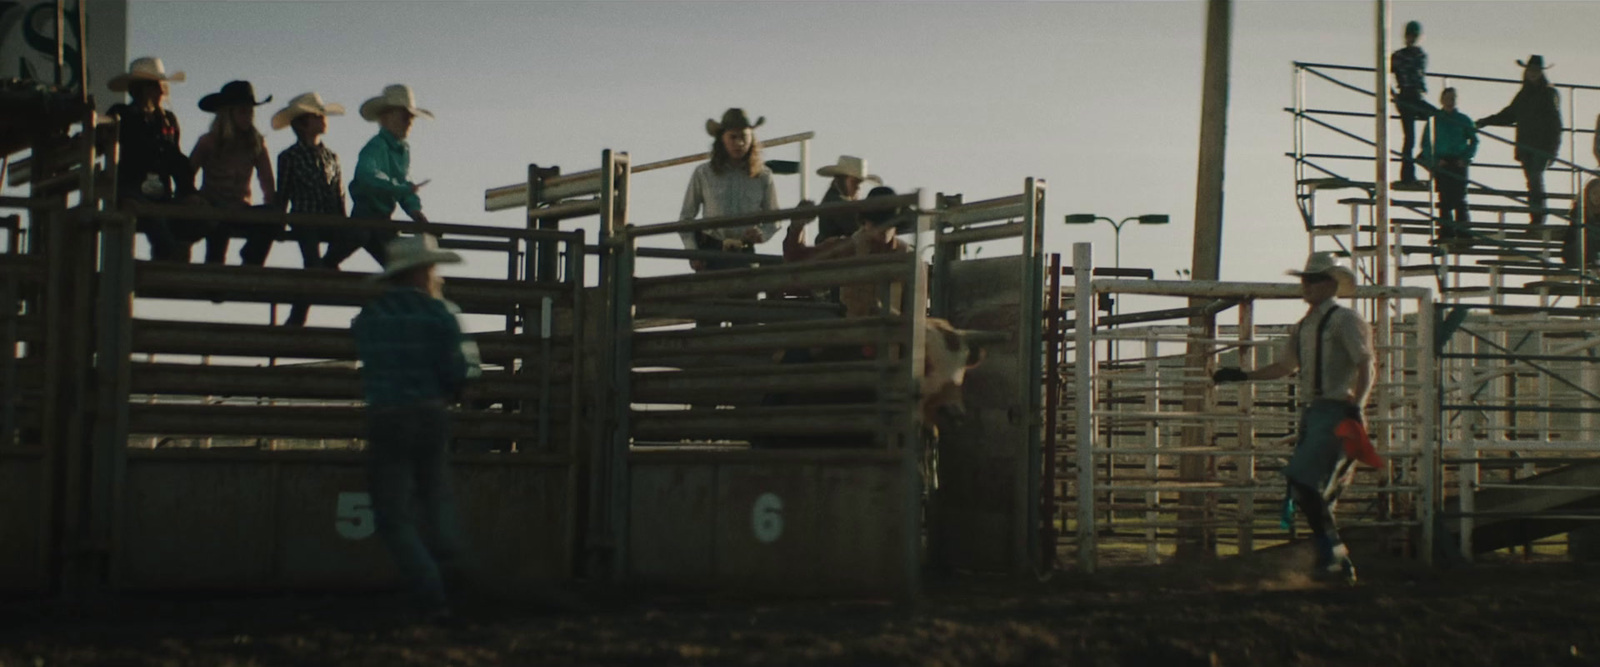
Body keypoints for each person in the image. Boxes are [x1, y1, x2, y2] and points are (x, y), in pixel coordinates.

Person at [1212, 252, 1374, 584]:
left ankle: (1334, 557)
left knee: (1304, 483)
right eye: (1305, 279)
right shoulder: (1304, 326)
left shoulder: (1343, 320)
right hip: (1318, 413)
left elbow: (1365, 364)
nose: (1307, 285)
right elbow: (1286, 367)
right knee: (1310, 489)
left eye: (1313, 279)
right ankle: (1334, 558)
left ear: (1330, 284)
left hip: (1334, 411)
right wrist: (1245, 376)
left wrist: (1357, 405)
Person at [351, 233, 482, 619]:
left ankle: (430, 588)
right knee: (435, 492)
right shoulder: (441, 314)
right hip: (430, 412)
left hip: (387, 415)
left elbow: (367, 358)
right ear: (424, 271)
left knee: (392, 512)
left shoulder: (370, 317)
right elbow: (456, 372)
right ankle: (451, 564)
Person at [271, 92, 356, 327]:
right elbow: (284, 193)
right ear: (303, 123)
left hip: (329, 220)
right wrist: (278, 222)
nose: (323, 119)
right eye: (317, 116)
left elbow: (338, 194)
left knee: (320, 264)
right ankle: (298, 318)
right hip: (304, 219)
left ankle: (298, 314)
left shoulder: (332, 157)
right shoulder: (289, 157)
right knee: (312, 265)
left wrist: (342, 222)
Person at [105, 57, 199, 261]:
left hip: (161, 192)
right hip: (131, 189)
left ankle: (172, 262)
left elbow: (176, 159)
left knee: (192, 216)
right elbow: (101, 142)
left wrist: (188, 191)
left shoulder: (168, 121)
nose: (161, 91)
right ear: (141, 89)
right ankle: (169, 260)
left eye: (160, 86)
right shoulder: (121, 115)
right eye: (155, 86)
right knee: (152, 216)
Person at [678, 108, 779, 272]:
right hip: (711, 254)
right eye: (733, 137)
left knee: (746, 296)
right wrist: (693, 252)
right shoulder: (703, 173)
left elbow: (774, 218)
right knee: (712, 297)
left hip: (745, 253)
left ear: (751, 139)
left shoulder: (763, 175)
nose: (739, 143)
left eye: (744, 137)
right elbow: (685, 218)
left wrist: (761, 234)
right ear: (722, 139)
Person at [190, 80, 277, 265]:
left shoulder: (256, 143)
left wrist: (271, 208)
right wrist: (196, 199)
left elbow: (267, 181)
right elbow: (188, 174)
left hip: (241, 208)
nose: (248, 116)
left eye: (250, 111)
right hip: (213, 207)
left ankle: (250, 264)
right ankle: (214, 283)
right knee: (216, 239)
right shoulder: (208, 141)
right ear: (228, 113)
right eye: (243, 111)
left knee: (270, 217)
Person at [350, 84, 433, 267]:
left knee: (399, 267)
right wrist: (401, 189)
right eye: (405, 116)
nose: (410, 121)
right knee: (398, 266)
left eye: (411, 117)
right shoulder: (376, 146)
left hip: (382, 220)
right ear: (386, 118)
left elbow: (404, 183)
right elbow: (367, 177)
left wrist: (414, 209)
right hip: (365, 218)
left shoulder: (403, 150)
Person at [1478, 56, 1563, 226]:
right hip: (1526, 146)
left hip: (1541, 146)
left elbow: (1555, 124)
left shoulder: (1548, 93)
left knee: (1535, 179)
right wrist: (1486, 121)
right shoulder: (1524, 95)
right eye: (1531, 70)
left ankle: (1537, 218)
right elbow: (1508, 115)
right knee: (1532, 182)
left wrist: (1553, 149)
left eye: (1535, 71)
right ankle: (1536, 217)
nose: (1532, 73)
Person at [1419, 87, 1478, 247]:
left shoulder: (1463, 119)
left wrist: (1466, 158)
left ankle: (1463, 233)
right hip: (1442, 162)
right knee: (1444, 198)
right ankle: (1447, 231)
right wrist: (1435, 160)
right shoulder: (1435, 120)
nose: (1450, 101)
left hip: (1458, 162)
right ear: (1442, 100)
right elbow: (1425, 144)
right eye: (1447, 98)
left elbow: (1474, 140)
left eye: (1453, 98)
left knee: (1459, 198)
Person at [1390, 20, 1432, 188]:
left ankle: (1423, 157)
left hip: (1415, 96)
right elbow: (1386, 75)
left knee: (1437, 119)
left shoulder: (1420, 55)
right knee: (1410, 137)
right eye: (1410, 35)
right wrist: (1394, 95)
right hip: (1407, 96)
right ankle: (1409, 174)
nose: (1412, 38)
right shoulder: (1400, 56)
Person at [813, 155, 882, 244]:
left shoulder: (835, 199)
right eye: (854, 182)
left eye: (859, 183)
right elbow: (857, 227)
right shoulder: (836, 203)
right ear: (841, 180)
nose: (858, 188)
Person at [1563, 178, 1600, 269]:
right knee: (1590, 236)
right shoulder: (1579, 212)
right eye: (1594, 193)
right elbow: (1576, 234)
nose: (1597, 197)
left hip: (1592, 251)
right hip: (1575, 250)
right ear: (1588, 195)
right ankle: (1596, 264)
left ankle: (1596, 264)